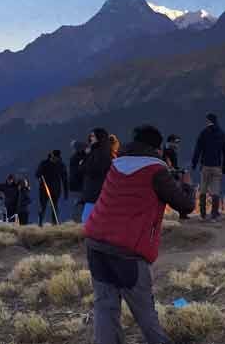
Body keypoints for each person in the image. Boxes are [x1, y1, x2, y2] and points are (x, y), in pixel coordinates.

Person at [84, 125, 195, 344]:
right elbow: (185, 206)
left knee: (105, 307)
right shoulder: (156, 170)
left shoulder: (116, 164)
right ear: (156, 147)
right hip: (128, 251)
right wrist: (187, 186)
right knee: (145, 312)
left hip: (96, 243)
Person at [191, 113, 225, 222]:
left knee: (203, 189)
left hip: (205, 166)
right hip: (217, 166)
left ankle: (203, 215)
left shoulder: (203, 133)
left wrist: (194, 163)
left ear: (208, 121)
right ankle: (214, 214)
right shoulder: (223, 134)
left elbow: (198, 149)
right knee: (215, 190)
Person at [80, 128, 113, 224]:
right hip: (96, 191)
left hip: (95, 192)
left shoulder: (99, 152)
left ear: (99, 137)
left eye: (93, 136)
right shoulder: (101, 151)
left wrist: (83, 163)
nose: (90, 138)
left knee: (87, 220)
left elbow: (93, 169)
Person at [35, 150, 68, 226]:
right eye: (53, 157)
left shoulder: (61, 165)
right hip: (44, 188)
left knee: (54, 206)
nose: (54, 159)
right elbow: (37, 174)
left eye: (56, 158)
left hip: (56, 190)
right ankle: (40, 223)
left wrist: (66, 192)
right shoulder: (44, 163)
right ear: (51, 156)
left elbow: (64, 179)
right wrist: (39, 175)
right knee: (43, 206)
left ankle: (54, 223)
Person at [162, 135, 189, 220]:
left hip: (166, 174)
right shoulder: (170, 151)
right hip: (170, 175)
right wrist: (179, 172)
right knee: (181, 194)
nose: (177, 144)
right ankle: (183, 214)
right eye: (176, 142)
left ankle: (182, 213)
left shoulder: (165, 149)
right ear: (171, 142)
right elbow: (170, 165)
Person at [68, 140, 88, 222]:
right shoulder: (84, 157)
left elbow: (76, 173)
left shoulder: (76, 158)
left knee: (78, 205)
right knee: (79, 205)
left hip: (78, 186)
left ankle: (77, 222)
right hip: (80, 186)